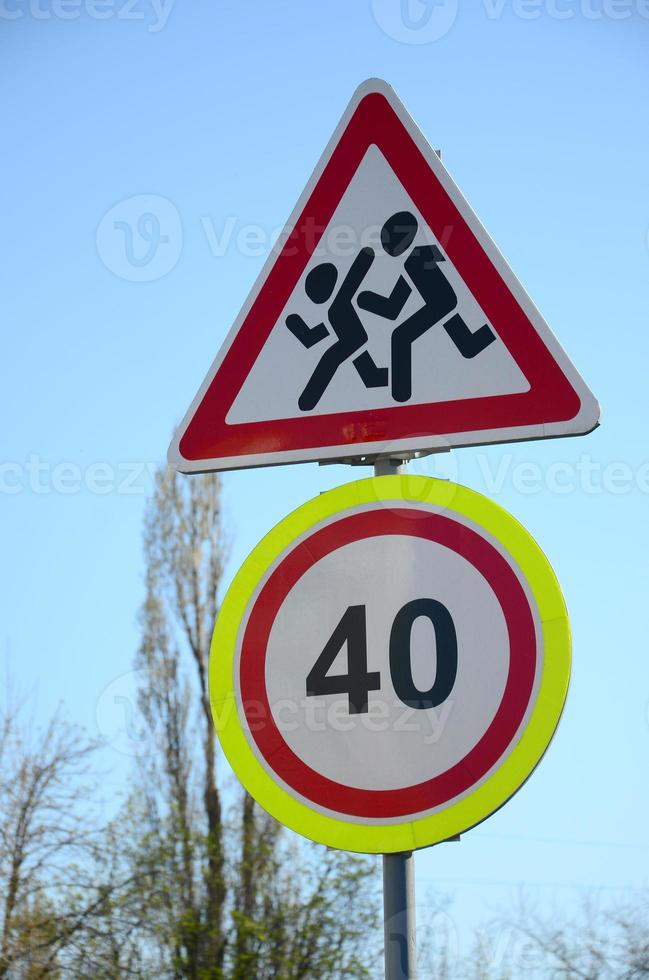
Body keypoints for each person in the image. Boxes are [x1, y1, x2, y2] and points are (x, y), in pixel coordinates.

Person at [358, 211, 496, 403]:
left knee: (400, 336)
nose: (387, 245)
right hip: (443, 305)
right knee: (469, 345)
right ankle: (494, 331)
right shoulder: (410, 264)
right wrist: (366, 300)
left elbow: (463, 258)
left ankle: (401, 394)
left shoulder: (423, 253)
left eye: (389, 239)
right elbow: (393, 307)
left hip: (441, 303)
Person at [286, 249, 388, 412]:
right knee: (343, 363)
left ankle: (306, 402)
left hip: (353, 340)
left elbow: (354, 277)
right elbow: (313, 336)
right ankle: (306, 403)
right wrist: (298, 327)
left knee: (331, 359)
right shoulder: (335, 308)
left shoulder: (337, 305)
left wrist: (366, 256)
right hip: (354, 341)